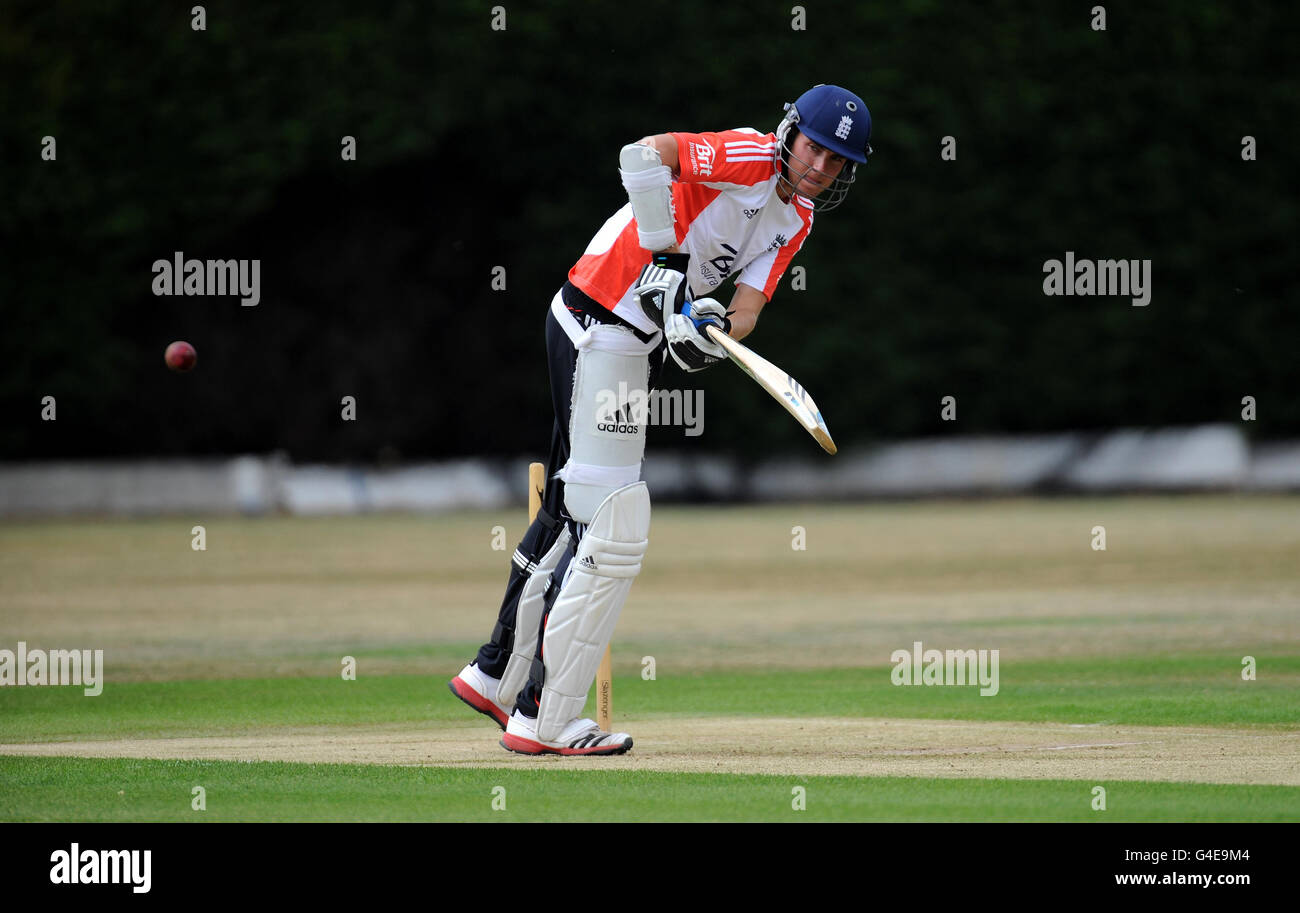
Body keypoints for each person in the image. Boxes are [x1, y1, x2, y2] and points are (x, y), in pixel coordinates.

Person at [449, 84, 873, 755]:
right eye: (816, 147)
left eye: (838, 159)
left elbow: (746, 312)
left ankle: (496, 672)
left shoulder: (799, 222)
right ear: (790, 132)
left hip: (621, 338)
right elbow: (642, 157)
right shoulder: (747, 156)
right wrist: (670, 263)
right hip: (601, 317)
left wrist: (708, 333)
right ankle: (545, 716)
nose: (821, 166)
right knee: (613, 519)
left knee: (573, 507)